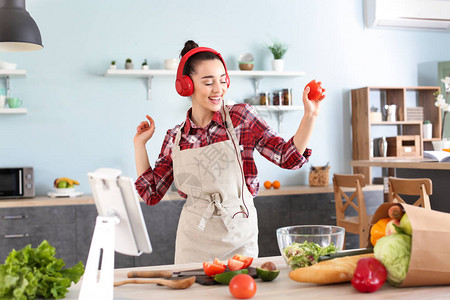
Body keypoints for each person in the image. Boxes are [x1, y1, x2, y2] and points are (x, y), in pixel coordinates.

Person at [134, 40, 324, 264]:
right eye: (208, 82)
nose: (219, 89)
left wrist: (309, 117)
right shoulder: (175, 137)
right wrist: (140, 145)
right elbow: (151, 193)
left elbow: (287, 157)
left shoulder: (242, 117)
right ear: (186, 86)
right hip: (192, 245)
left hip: (238, 240)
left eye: (223, 81)